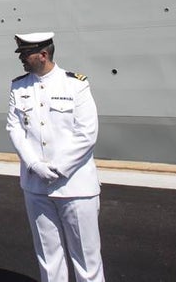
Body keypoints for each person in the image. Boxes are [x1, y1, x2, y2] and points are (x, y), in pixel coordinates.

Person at [6, 32, 104, 282]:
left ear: (43, 54)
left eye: (26, 54)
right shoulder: (19, 86)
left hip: (75, 186)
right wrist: (35, 164)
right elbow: (14, 128)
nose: (22, 59)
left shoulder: (75, 84)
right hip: (36, 186)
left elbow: (87, 133)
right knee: (49, 260)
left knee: (87, 262)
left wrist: (59, 168)